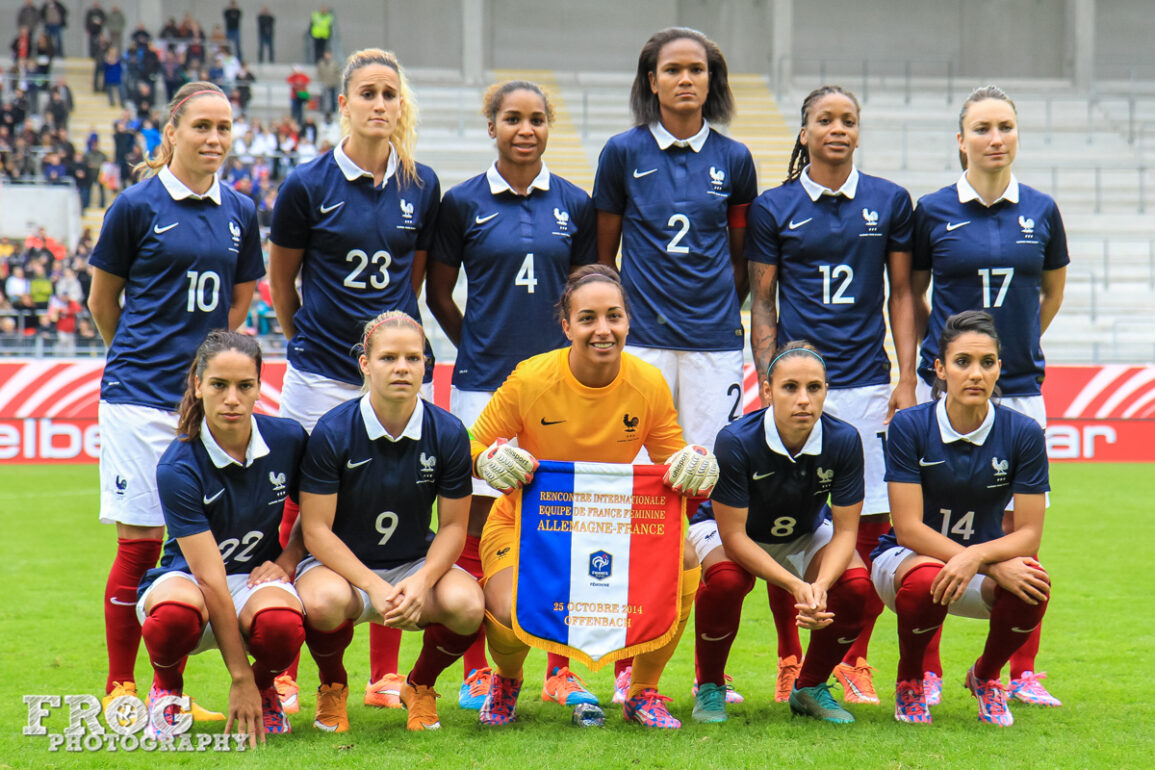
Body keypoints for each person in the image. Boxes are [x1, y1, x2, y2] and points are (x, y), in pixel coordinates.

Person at [470, 265, 718, 729]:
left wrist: (699, 465)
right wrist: (486, 462)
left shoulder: (647, 382)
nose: (602, 330)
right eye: (587, 318)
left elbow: (676, 465)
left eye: (613, 317)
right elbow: (472, 444)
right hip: (530, 523)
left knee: (686, 560)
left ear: (627, 321)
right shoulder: (530, 379)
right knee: (505, 607)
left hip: (611, 520)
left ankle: (642, 691)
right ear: (567, 327)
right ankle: (505, 681)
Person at [269, 48, 440, 713]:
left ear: (400, 105)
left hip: (392, 376)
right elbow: (283, 281)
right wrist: (306, 339)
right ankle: (285, 666)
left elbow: (413, 280)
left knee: (391, 504)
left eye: (389, 93)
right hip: (318, 372)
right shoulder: (306, 185)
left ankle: (383, 676)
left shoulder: (419, 185)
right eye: (366, 92)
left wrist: (390, 353)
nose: (378, 103)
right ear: (343, 103)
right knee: (297, 510)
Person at [87, 81, 263, 719]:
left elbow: (239, 305)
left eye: (224, 128)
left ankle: (169, 692)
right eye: (201, 128)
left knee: (195, 544)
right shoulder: (135, 206)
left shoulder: (241, 210)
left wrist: (208, 375)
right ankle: (121, 687)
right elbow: (102, 302)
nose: (214, 139)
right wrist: (138, 357)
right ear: (172, 133)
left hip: (205, 403)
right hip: (139, 396)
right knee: (139, 542)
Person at [592, 25, 756, 704]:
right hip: (645, 343)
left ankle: (696, 672)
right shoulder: (621, 153)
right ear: (650, 81)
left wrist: (717, 313)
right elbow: (604, 256)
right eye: (672, 70)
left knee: (700, 487)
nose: (685, 80)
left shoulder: (736, 157)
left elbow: (742, 257)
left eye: (697, 71)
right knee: (640, 497)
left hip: (714, 341)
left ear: (710, 83)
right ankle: (627, 656)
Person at [426, 80, 598, 710]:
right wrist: (475, 344)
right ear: (491, 127)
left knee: (564, 525)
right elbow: (439, 292)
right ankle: (477, 669)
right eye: (512, 119)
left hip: (562, 388)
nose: (525, 129)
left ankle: (563, 668)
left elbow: (585, 297)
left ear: (549, 127)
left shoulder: (575, 204)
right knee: (475, 520)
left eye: (537, 119)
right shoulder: (461, 203)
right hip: (482, 386)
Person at [744, 84, 917, 706]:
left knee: (865, 523)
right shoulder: (774, 207)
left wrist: (905, 377)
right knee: (780, 524)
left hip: (868, 383)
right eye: (825, 119)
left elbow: (901, 294)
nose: (837, 128)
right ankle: (791, 660)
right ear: (804, 132)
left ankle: (852, 658)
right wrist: (770, 383)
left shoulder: (890, 201)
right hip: (796, 387)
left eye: (848, 119)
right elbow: (763, 301)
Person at [912, 85, 1067, 709]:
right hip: (946, 394)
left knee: (1019, 530)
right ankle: (924, 667)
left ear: (1016, 135)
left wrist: (1006, 361)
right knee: (935, 522)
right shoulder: (930, 211)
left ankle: (1015, 669)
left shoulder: (1043, 210)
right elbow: (913, 292)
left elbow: (1049, 294)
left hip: (1021, 391)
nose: (994, 138)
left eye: (1004, 126)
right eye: (981, 128)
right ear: (961, 140)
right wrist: (954, 363)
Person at [295, 311, 483, 733]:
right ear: (365, 363)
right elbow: (316, 531)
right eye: (388, 358)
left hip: (413, 564)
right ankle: (333, 685)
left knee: (469, 605)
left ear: (425, 365)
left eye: (413, 358)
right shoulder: (333, 430)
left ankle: (420, 685)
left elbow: (453, 526)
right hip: (340, 570)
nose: (402, 368)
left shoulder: (449, 432)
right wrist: (373, 586)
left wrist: (421, 581)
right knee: (321, 604)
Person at [873, 310, 1051, 726]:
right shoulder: (909, 425)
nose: (975, 373)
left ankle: (986, 678)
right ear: (939, 369)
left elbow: (1029, 534)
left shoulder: (1023, 432)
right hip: (903, 563)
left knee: (1034, 585)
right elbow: (908, 528)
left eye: (987, 363)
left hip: (978, 566)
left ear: (999, 369)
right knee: (924, 583)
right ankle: (910, 681)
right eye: (962, 362)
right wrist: (974, 559)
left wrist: (976, 560)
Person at [137, 331, 308, 741]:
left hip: (252, 580)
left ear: (258, 388)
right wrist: (238, 676)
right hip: (190, 578)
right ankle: (167, 689)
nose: (232, 398)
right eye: (219, 385)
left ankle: (266, 691)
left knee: (283, 626)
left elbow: (317, 517)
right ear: (198, 385)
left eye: (244, 386)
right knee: (174, 616)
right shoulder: (178, 466)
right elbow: (211, 578)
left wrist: (287, 561)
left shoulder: (288, 439)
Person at [697, 341, 872, 724]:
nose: (804, 399)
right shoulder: (736, 440)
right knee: (727, 580)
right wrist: (797, 586)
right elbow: (735, 538)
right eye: (790, 387)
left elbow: (845, 533)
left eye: (815, 388)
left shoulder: (843, 440)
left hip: (805, 531)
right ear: (766, 390)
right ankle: (709, 685)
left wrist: (821, 585)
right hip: (731, 532)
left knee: (856, 586)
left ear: (826, 390)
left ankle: (809, 688)